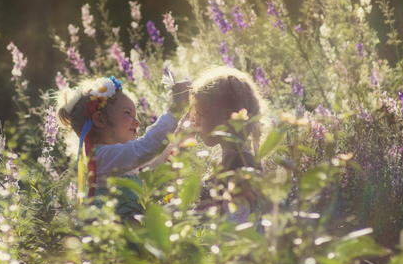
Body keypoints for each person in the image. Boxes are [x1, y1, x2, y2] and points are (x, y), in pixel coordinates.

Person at [57, 75, 190, 219]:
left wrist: (189, 123)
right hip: (111, 235)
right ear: (100, 119)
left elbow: (161, 152)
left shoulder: (120, 158)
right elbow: (148, 148)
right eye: (128, 113)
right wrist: (175, 110)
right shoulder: (101, 157)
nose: (137, 122)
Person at [189, 66, 268, 221]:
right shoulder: (232, 160)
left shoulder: (241, 168)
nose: (195, 121)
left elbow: (235, 227)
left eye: (200, 114)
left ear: (227, 116)